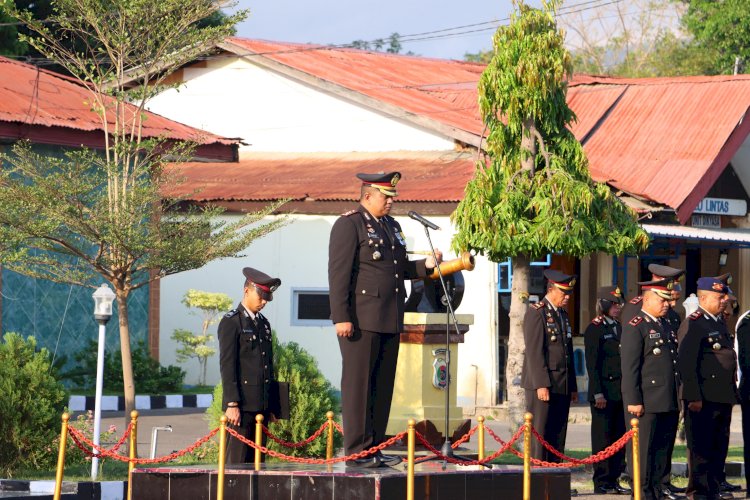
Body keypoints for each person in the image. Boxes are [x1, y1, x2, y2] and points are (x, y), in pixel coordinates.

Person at [328, 171, 440, 468]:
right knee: (359, 387)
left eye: (392, 196)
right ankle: (357, 451)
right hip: (361, 320)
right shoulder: (349, 224)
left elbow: (399, 268)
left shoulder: (392, 226)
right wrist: (341, 316)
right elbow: (339, 275)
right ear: (367, 196)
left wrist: (426, 265)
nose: (391, 201)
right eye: (386, 196)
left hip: (390, 318)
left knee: (382, 386)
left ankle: (374, 446)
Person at [622, 263, 685, 499]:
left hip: (666, 400)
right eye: (663, 300)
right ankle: (642, 494)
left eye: (669, 300)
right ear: (647, 299)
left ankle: (657, 491)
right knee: (643, 456)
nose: (667, 305)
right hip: (645, 404)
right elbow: (630, 370)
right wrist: (634, 401)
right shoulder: (635, 327)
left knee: (660, 454)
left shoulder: (666, 325)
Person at [678, 277, 738, 500]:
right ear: (703, 298)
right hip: (702, 398)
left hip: (722, 396)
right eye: (719, 297)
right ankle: (698, 492)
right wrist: (693, 396)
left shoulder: (718, 322)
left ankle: (713, 489)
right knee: (700, 449)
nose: (724, 301)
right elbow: (687, 362)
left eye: (724, 297)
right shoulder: (694, 322)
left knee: (718, 448)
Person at [217, 267, 282, 464]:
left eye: (267, 299)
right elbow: (227, 364)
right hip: (241, 407)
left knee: (258, 462)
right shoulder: (231, 322)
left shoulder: (264, 324)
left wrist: (271, 404)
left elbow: (267, 365)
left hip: (261, 405)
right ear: (247, 290)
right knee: (237, 462)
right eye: (261, 296)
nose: (263, 302)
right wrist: (232, 403)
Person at [521, 269, 578, 463]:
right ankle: (538, 480)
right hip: (544, 385)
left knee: (558, 434)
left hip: (561, 384)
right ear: (551, 289)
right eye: (564, 293)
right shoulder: (537, 313)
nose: (567, 297)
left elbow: (567, 352)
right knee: (540, 435)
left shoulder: (562, 315)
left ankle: (554, 478)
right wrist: (541, 384)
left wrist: (573, 386)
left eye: (569, 293)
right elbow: (534, 353)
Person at [584, 285, 630, 495]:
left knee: (619, 437)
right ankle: (601, 480)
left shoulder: (619, 328)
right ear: (603, 305)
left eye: (618, 304)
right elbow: (592, 365)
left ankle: (614, 477)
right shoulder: (595, 329)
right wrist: (597, 393)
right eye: (612, 304)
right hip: (603, 392)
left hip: (619, 392)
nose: (617, 308)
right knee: (603, 438)